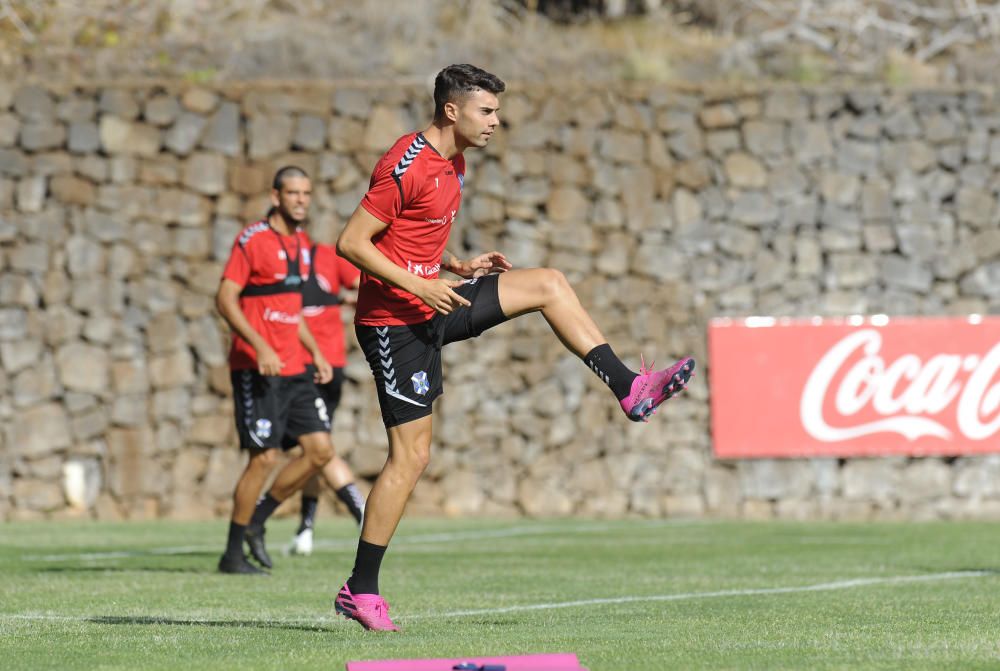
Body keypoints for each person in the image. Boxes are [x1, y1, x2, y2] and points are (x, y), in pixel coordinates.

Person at [333, 64, 695, 630]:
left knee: (548, 282)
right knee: (411, 458)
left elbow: (411, 235)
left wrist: (455, 265)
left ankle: (630, 388)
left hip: (434, 300)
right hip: (392, 323)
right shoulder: (405, 162)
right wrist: (421, 283)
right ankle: (361, 589)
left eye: (497, 112)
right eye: (487, 111)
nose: (497, 122)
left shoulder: (455, 162)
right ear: (452, 110)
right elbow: (352, 242)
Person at [215, 166, 337, 575]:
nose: (301, 200)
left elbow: (290, 308)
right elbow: (225, 299)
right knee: (264, 458)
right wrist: (259, 344)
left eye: (306, 193)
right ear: (275, 196)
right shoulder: (253, 240)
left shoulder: (301, 243)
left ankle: (258, 522)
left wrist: (315, 350)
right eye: (293, 193)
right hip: (259, 368)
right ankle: (233, 554)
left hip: (296, 366)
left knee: (320, 451)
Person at [284, 241, 367, 557]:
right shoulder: (325, 255)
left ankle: (362, 514)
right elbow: (365, 287)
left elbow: (364, 284)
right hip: (329, 364)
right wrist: (343, 299)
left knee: (318, 449)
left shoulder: (303, 257)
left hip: (310, 366)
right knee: (313, 451)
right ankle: (305, 529)